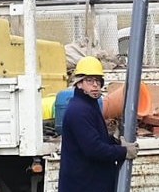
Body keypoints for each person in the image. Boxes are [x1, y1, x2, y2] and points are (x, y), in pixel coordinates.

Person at [58, 56, 138, 192]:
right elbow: (94, 149)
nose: (95, 85)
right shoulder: (79, 111)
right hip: (84, 185)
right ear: (79, 83)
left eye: (98, 81)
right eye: (89, 80)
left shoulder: (89, 105)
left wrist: (116, 142)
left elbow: (97, 139)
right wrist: (123, 152)